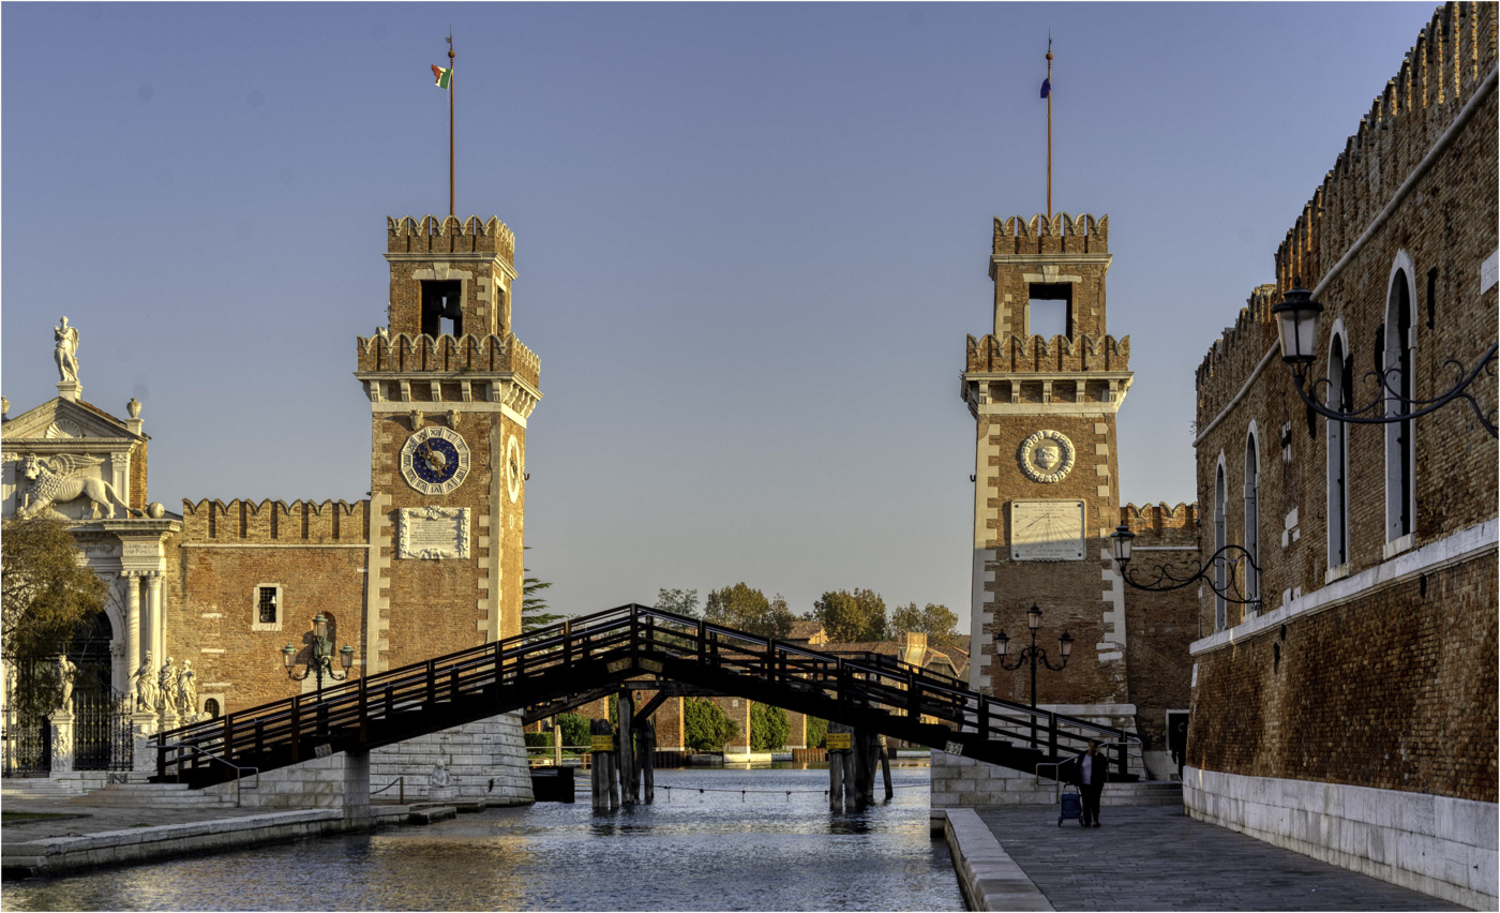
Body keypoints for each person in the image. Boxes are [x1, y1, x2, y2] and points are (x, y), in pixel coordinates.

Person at [1069, 740, 1107, 828]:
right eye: (1090, 746)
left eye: (1093, 747)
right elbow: (1076, 767)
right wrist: (1071, 780)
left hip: (1095, 784)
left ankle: (1095, 820)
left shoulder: (1099, 756)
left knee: (1095, 802)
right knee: (1086, 803)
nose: (1091, 748)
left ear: (1096, 748)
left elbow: (1103, 767)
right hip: (1084, 783)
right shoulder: (1082, 755)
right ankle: (1087, 821)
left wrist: (1097, 756)